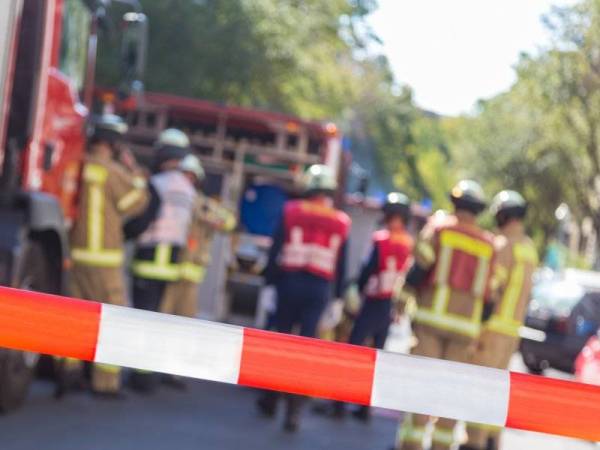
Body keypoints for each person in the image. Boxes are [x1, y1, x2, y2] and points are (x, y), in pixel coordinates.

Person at [394, 180, 496, 450]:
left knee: (420, 391)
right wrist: (479, 332)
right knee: (451, 396)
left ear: (455, 204)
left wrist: (401, 302)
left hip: (429, 323)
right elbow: (490, 298)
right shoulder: (488, 245)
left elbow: (418, 270)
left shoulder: (439, 229)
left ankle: (411, 445)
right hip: (465, 332)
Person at [257, 164, 351, 432]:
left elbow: (276, 249)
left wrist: (269, 285)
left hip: (289, 284)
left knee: (281, 342)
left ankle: (270, 398)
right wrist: (338, 298)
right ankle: (293, 413)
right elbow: (342, 265)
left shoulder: (291, 211)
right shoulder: (341, 221)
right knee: (306, 349)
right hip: (319, 290)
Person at [68, 114, 148, 398]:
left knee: (74, 315)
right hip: (105, 259)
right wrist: (136, 175)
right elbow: (135, 203)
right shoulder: (112, 171)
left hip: (75, 255)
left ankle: (68, 373)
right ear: (114, 143)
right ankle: (105, 383)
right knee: (114, 319)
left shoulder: (78, 163)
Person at [461, 191, 537, 450]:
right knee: (496, 391)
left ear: (504, 214)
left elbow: (491, 292)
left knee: (479, 389)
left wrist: (476, 330)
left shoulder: (504, 245)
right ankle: (492, 440)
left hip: (492, 331)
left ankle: (474, 442)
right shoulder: (529, 248)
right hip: (511, 334)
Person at [333, 192, 415, 421]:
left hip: (373, 301)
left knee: (354, 351)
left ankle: (339, 405)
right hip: (390, 306)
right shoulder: (410, 244)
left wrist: (354, 291)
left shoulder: (381, 239)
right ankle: (365, 408)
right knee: (376, 358)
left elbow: (367, 269)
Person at [129, 129, 196, 393]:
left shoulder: (158, 183)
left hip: (149, 259)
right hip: (170, 263)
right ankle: (150, 373)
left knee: (142, 320)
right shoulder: (187, 188)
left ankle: (141, 377)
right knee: (157, 319)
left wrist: (125, 233)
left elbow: (143, 221)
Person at [160, 154, 236, 319]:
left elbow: (229, 223)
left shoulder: (204, 205)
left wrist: (209, 216)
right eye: (184, 175)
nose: (187, 180)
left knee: (186, 322)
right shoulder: (170, 199)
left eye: (191, 176)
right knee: (161, 318)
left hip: (191, 276)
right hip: (168, 272)